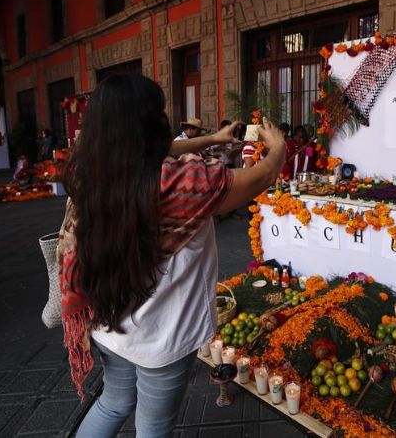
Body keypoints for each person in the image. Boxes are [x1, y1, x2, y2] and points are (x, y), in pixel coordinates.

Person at [57, 74, 285, 438]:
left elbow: (152, 152)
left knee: (113, 403)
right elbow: (263, 176)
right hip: (160, 337)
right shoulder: (182, 182)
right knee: (153, 427)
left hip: (106, 320)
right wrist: (278, 147)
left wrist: (213, 138)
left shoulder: (89, 170)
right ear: (150, 122)